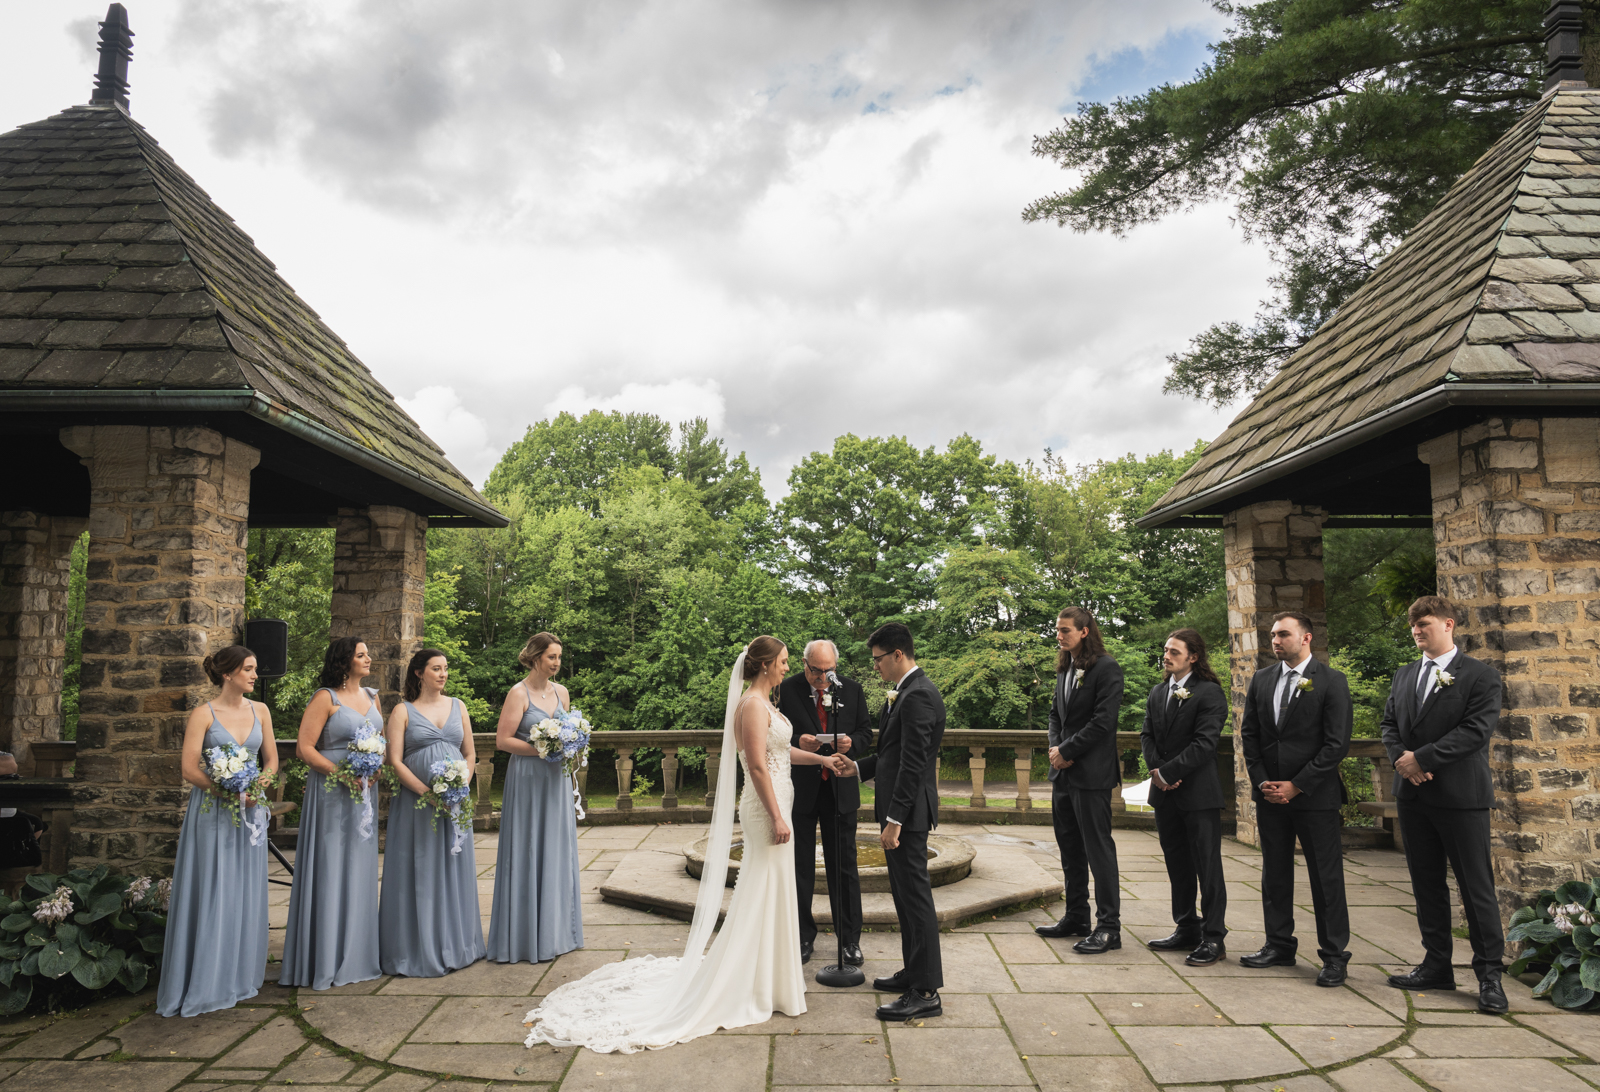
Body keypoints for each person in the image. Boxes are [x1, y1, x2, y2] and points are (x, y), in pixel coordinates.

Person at [521, 636, 847, 1052]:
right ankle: (749, 982)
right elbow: (759, 768)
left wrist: (821, 759)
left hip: (779, 801)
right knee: (760, 890)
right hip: (766, 809)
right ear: (764, 665)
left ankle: (773, 980)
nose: (788, 667)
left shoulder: (768, 704)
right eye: (783, 661)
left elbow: (781, 756)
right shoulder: (750, 705)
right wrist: (779, 817)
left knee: (777, 890)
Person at [1380, 595, 1506, 1014]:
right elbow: (1389, 724)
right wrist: (1404, 761)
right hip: (1413, 795)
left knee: (1476, 887)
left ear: (1449, 625)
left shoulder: (1480, 675)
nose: (1417, 630)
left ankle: (1489, 975)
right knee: (1426, 884)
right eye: (1413, 625)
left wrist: (1424, 758)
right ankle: (1436, 965)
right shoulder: (1403, 675)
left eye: (1425, 624)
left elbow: (1476, 731)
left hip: (1460, 797)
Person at [158, 645, 279, 1017]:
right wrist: (224, 790)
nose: (255, 675)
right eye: (248, 669)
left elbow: (272, 759)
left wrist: (259, 785)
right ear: (227, 674)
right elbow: (189, 768)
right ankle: (206, 978)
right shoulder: (203, 714)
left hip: (251, 813)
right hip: (213, 812)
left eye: (255, 668)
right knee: (214, 886)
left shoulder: (261, 710)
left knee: (244, 888)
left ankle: (240, 973)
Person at [838, 622, 947, 1021]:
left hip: (909, 814)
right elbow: (892, 754)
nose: (876, 668)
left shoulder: (918, 695)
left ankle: (926, 992)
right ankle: (913, 972)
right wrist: (856, 768)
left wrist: (895, 820)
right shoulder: (905, 693)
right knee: (904, 899)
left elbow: (915, 765)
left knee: (916, 902)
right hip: (903, 810)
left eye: (878, 659)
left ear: (898, 654)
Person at [1237, 611, 1353, 986]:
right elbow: (1250, 737)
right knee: (1275, 873)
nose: (1275, 640)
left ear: (1306, 638)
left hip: (1315, 797)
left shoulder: (1332, 681)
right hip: (1271, 796)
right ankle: (1279, 944)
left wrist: (1297, 785)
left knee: (1326, 877)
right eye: (1272, 635)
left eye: (1283, 634)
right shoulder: (1262, 680)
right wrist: (1263, 783)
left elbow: (1336, 744)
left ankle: (1334, 955)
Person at [279, 637, 384, 991]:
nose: (368, 658)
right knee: (330, 865)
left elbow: (379, 740)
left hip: (365, 790)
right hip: (332, 791)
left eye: (367, 653)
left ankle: (357, 953)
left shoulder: (372, 697)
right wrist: (340, 775)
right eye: (361, 654)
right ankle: (324, 956)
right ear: (344, 660)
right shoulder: (326, 697)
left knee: (359, 868)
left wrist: (377, 765)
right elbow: (304, 748)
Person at [378, 648, 486, 977]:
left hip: (454, 803)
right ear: (418, 673)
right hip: (416, 805)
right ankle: (415, 947)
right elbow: (394, 760)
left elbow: (470, 754)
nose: (443, 674)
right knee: (419, 870)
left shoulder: (459, 707)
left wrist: (459, 787)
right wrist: (427, 792)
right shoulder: (403, 711)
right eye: (436, 668)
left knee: (453, 868)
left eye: (445, 668)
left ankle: (458, 944)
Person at [488, 631, 583, 964]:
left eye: (558, 657)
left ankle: (557, 933)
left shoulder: (562, 692)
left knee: (556, 848)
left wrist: (570, 746)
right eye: (551, 657)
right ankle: (525, 936)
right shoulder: (518, 693)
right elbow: (502, 740)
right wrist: (542, 749)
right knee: (528, 847)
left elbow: (567, 730)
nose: (556, 663)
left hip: (554, 780)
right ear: (535, 657)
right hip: (528, 778)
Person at [777, 638, 872, 966]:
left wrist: (850, 743)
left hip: (840, 789)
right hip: (800, 789)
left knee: (844, 868)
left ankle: (849, 942)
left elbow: (866, 732)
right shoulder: (786, 689)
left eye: (828, 671)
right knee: (799, 866)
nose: (821, 677)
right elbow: (772, 735)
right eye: (815, 671)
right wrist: (796, 740)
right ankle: (803, 936)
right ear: (805, 664)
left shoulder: (851, 689)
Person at [1035, 607, 1125, 954]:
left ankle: (1109, 927)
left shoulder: (1107, 668)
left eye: (1065, 630)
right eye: (1057, 629)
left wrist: (1069, 750)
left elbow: (1104, 722)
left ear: (1085, 631)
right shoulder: (1065, 668)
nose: (1059, 635)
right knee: (1070, 849)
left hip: (1092, 775)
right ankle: (1076, 915)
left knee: (1098, 850)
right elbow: (1055, 714)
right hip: (1063, 774)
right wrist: (1055, 747)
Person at [1139, 628, 1229, 965]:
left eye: (1174, 652)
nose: (1166, 656)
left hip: (1198, 795)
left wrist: (1170, 773)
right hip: (1165, 795)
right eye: (1165, 650)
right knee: (1177, 864)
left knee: (1207, 867)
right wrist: (1158, 772)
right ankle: (1186, 927)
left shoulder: (1209, 693)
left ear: (1193, 656)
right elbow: (1147, 734)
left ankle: (1214, 937)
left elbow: (1205, 744)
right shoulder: (1159, 691)